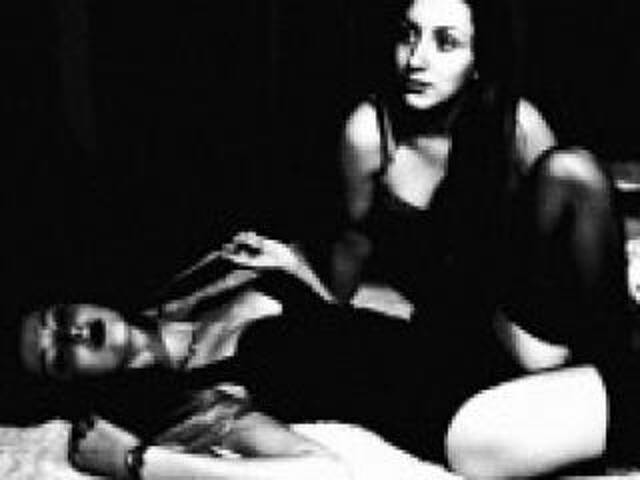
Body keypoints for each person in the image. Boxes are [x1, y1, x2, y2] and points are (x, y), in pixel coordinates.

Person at [299, 0, 639, 476]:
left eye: (446, 42)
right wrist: (306, 297)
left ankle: (621, 370)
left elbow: (565, 245)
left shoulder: (514, 123)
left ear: (478, 60)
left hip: (528, 320)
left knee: (572, 170)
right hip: (459, 337)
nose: (417, 59)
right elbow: (350, 249)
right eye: (408, 35)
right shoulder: (370, 134)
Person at [18, 234, 459, 480]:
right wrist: (136, 462)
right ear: (75, 385)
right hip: (444, 413)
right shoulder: (187, 400)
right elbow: (325, 472)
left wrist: (293, 268)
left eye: (58, 317)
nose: (71, 333)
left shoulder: (186, 292)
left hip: (444, 342)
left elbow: (339, 330)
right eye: (58, 357)